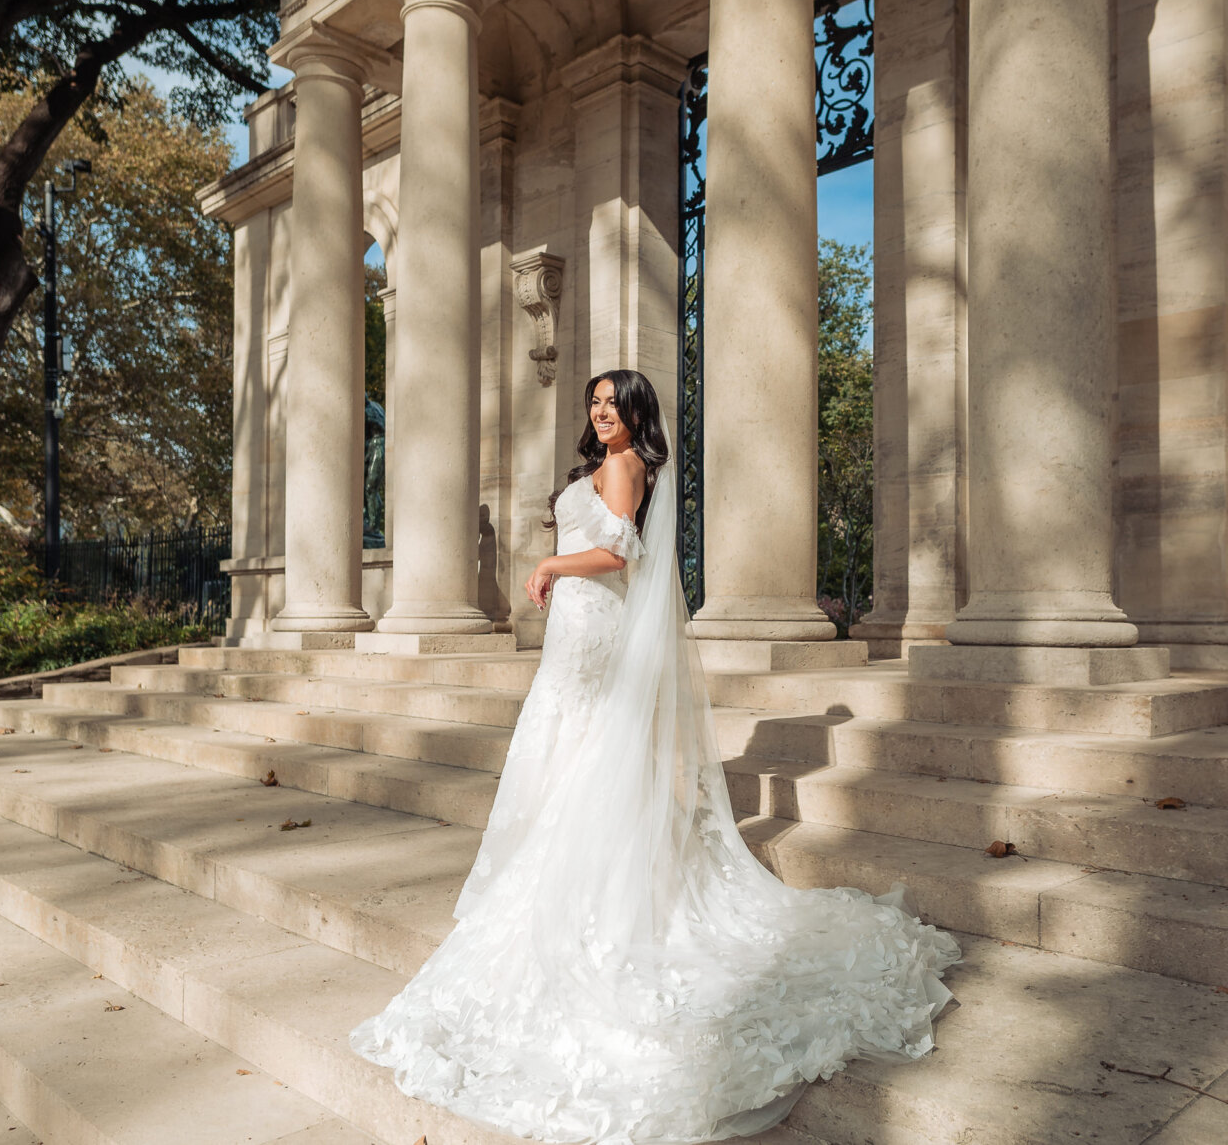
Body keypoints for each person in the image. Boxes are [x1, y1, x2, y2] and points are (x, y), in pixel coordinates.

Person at [350, 368, 960, 1144]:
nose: (601, 411)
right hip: (576, 629)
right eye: (595, 402)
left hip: (596, 623)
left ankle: (588, 896)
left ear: (637, 413)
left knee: (583, 749)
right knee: (565, 748)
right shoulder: (598, 467)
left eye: (613, 401)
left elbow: (624, 554)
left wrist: (550, 565)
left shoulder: (630, 463)